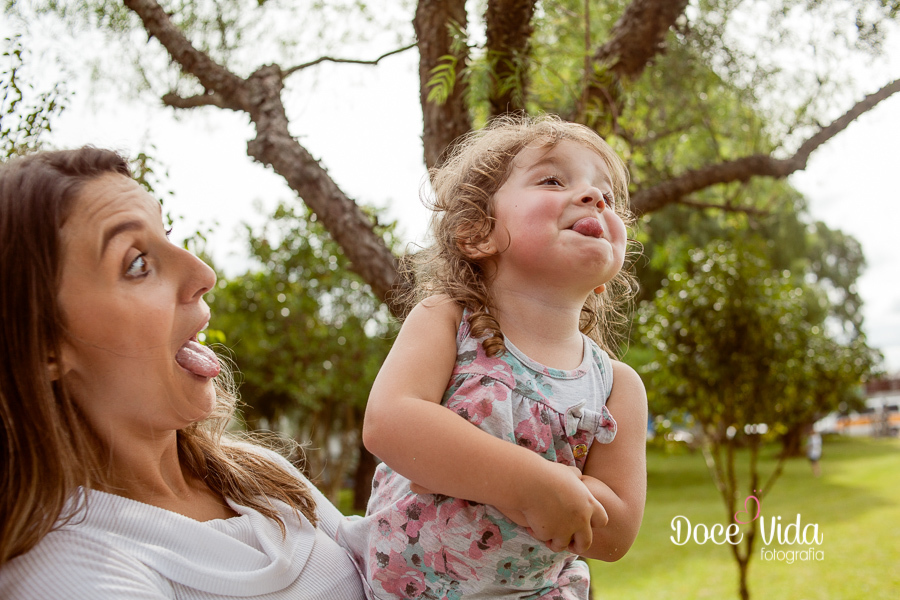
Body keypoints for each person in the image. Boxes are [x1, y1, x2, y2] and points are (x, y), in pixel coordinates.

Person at [0, 148, 366, 599]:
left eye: (168, 233)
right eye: (137, 263)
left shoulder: (258, 474)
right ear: (43, 345)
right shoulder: (74, 577)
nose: (203, 273)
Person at [337, 115, 648, 600]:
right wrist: (531, 484)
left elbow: (618, 533)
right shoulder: (447, 320)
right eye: (552, 180)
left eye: (606, 193)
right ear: (478, 234)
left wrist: (548, 490)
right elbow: (390, 424)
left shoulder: (616, 386)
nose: (595, 197)